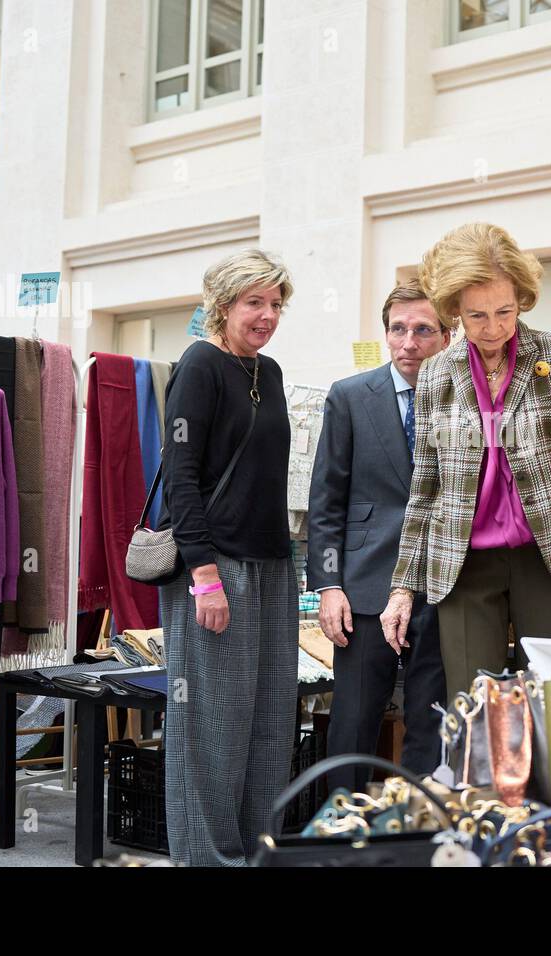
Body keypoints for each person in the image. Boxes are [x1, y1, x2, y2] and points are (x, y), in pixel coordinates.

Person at [381, 222, 551, 697]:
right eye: (476, 316)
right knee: (475, 708)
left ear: (522, 300)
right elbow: (425, 488)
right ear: (453, 311)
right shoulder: (436, 374)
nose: (492, 328)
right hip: (465, 562)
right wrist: (401, 588)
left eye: (504, 311)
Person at [158, 249, 297, 866]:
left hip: (272, 566)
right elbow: (181, 479)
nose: (267, 315)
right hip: (218, 569)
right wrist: (205, 575)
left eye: (275, 304)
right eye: (253, 303)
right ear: (222, 304)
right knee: (211, 731)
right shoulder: (200, 365)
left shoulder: (268, 372)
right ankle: (208, 859)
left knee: (268, 727)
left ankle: (254, 853)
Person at [308, 280, 450, 792]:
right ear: (386, 333)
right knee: (353, 721)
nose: (408, 342)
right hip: (365, 587)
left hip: (441, 584)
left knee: (430, 721)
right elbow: (326, 500)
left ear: (446, 337)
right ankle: (339, 831)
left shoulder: (466, 399)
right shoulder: (349, 397)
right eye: (398, 329)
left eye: (423, 330)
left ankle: (414, 831)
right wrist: (328, 585)